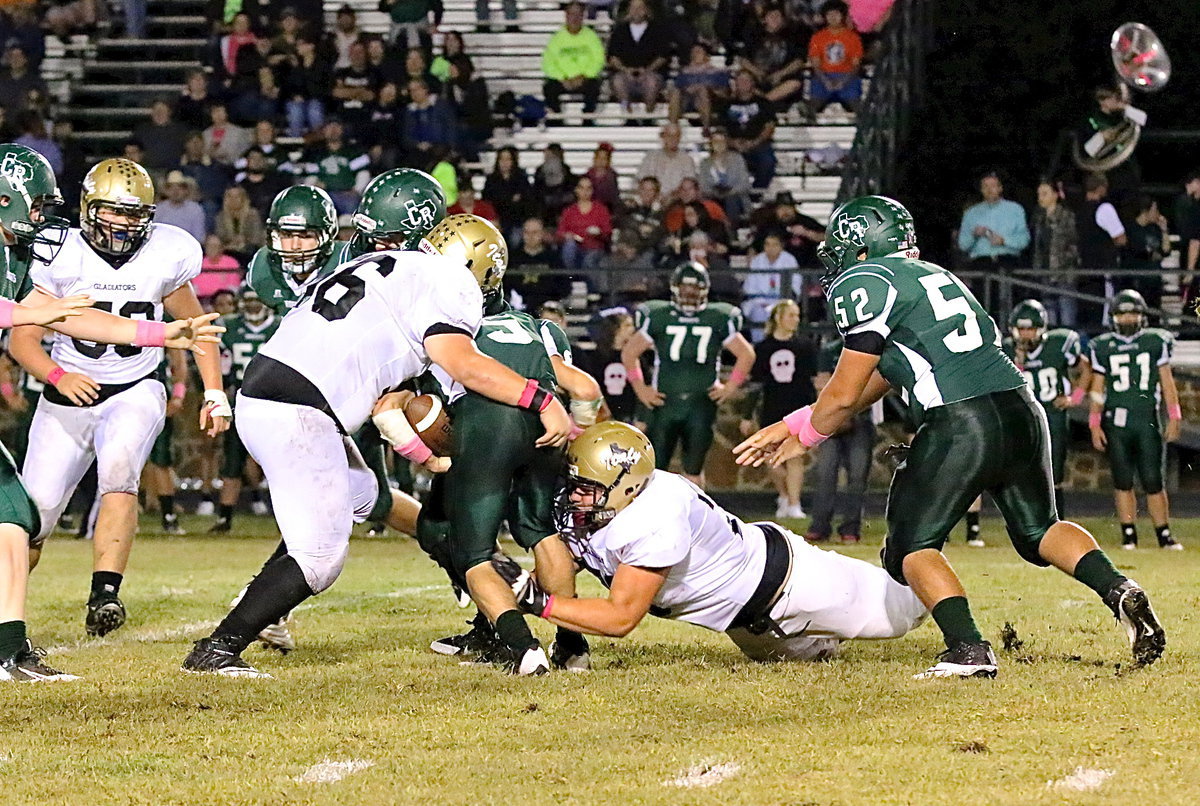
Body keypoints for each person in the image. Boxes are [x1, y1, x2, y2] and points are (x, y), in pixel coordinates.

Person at [735, 195, 1166, 678]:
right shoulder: (937, 275)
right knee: (1039, 529)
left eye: (841, 248)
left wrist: (807, 435)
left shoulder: (865, 280)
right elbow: (886, 374)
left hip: (961, 419)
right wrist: (799, 422)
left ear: (861, 248)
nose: (837, 260)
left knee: (910, 546)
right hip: (1021, 409)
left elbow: (842, 394)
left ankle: (968, 649)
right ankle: (1119, 589)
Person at [180, 173, 573, 678]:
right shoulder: (443, 278)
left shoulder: (368, 263)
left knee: (367, 492)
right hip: (302, 411)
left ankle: (487, 606)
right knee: (320, 558)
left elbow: (387, 392)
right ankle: (218, 648)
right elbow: (462, 363)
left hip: (274, 391)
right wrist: (540, 398)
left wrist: (422, 447)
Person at [0, 144, 220, 682]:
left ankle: (94, 597)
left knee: (93, 486)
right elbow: (26, 331)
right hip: (65, 394)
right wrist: (55, 369)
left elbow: (188, 328)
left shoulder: (166, 254)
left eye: (134, 213)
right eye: (33, 210)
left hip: (134, 385)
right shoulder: (56, 253)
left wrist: (176, 351)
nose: (123, 223)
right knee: (30, 517)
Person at [492, 421, 929, 663]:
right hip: (748, 623)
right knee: (809, 660)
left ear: (627, 488)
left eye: (586, 487)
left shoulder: (654, 515)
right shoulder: (609, 501)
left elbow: (620, 618)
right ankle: (828, 633)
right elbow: (569, 557)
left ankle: (914, 510)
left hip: (791, 583)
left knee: (908, 610)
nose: (574, 496)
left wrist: (538, 603)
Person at [415, 214, 602, 674]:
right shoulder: (539, 328)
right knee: (540, 531)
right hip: (543, 433)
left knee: (471, 549)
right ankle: (572, 644)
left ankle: (520, 647)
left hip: (484, 433)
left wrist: (420, 452)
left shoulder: (445, 327)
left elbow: (413, 403)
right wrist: (575, 435)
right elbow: (584, 388)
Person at [624, 262, 755, 488]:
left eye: (694, 288)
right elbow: (629, 353)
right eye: (685, 287)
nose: (689, 293)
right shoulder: (658, 315)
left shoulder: (717, 317)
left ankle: (694, 520)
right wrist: (641, 389)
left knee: (693, 471)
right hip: (665, 400)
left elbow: (746, 354)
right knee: (655, 468)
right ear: (675, 288)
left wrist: (730, 387)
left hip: (700, 402)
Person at [1087, 290, 1181, 551]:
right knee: (1122, 480)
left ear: (1142, 315)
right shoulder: (1102, 346)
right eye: (1123, 313)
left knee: (1153, 480)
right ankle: (1128, 534)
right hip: (1116, 422)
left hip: (1147, 419)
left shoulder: (1155, 341)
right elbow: (1097, 387)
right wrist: (1094, 422)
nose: (1128, 318)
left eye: (1133, 312)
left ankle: (1163, 534)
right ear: (1114, 317)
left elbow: (1167, 382)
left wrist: (1174, 415)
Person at [1004, 299, 1090, 517]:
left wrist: (1075, 397)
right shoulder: (1006, 349)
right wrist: (1019, 362)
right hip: (1021, 418)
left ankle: (1055, 520)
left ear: (1041, 329)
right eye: (1021, 329)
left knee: (1054, 474)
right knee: (1020, 472)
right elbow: (1004, 383)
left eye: (1030, 329)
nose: (1025, 335)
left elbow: (1086, 368)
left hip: (1052, 416)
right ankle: (1027, 521)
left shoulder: (1058, 344)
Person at [211, 285, 278, 535]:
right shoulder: (229, 328)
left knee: (285, 463)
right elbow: (222, 369)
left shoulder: (281, 326)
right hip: (241, 402)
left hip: (277, 403)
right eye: (248, 299)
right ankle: (224, 518)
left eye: (257, 298)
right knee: (233, 461)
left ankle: (289, 518)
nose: (252, 304)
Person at [742, 300, 816, 519]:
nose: (795, 320)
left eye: (797, 315)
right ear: (778, 318)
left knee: (795, 457)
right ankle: (784, 495)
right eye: (791, 315)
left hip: (798, 406)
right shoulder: (763, 348)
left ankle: (794, 503)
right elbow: (756, 385)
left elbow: (811, 381)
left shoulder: (805, 346)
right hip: (772, 406)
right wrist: (747, 415)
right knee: (770, 456)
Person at [806, 334, 874, 544]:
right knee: (826, 473)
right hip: (833, 418)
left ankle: (850, 527)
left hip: (860, 416)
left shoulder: (872, 347)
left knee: (857, 476)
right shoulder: (831, 350)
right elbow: (822, 383)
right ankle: (820, 525)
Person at [1075, 172, 1126, 332]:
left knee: (1089, 313)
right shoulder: (1104, 209)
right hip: (1103, 270)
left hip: (1084, 268)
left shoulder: (1079, 211)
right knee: (1104, 314)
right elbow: (1121, 238)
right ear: (1102, 188)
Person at [542, 1, 605, 123]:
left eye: (578, 14)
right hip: (563, 80)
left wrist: (583, 76)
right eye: (572, 14)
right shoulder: (557, 38)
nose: (575, 18)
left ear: (583, 16)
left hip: (584, 79)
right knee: (549, 87)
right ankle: (556, 119)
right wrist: (562, 78)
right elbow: (548, 63)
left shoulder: (591, 36)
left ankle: (587, 118)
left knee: (594, 86)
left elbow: (598, 60)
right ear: (566, 16)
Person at [606, 0, 670, 119]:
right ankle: (629, 115)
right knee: (618, 82)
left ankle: (648, 116)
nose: (636, 11)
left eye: (640, 8)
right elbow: (612, 57)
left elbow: (663, 56)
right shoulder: (620, 30)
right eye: (633, 8)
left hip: (650, 74)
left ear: (646, 10)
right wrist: (626, 70)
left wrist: (647, 70)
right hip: (625, 74)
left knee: (651, 82)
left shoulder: (657, 29)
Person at [956, 171, 1030, 271]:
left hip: (1008, 262)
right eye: (985, 186)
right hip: (980, 264)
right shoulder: (971, 213)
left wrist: (1004, 241)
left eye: (993, 186)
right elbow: (963, 245)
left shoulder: (1016, 209)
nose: (989, 190)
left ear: (1000, 188)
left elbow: (1024, 240)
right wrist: (974, 235)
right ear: (981, 190)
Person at [1030, 179, 1079, 328]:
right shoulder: (1038, 218)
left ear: (1055, 195)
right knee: (1048, 313)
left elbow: (1074, 243)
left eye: (1045, 194)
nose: (1041, 198)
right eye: (1039, 194)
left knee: (1067, 314)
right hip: (1045, 271)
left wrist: (1064, 260)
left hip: (1064, 272)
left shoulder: (1066, 216)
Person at [720, 70, 777, 190]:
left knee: (768, 161)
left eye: (747, 80)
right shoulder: (726, 104)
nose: (743, 83)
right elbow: (721, 129)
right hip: (733, 145)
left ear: (753, 83)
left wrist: (754, 143)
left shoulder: (764, 103)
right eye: (740, 80)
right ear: (735, 83)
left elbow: (769, 127)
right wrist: (732, 142)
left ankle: (757, 192)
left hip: (758, 144)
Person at [580, 309, 637, 422]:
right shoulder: (597, 358)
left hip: (630, 417)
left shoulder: (635, 357)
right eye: (627, 325)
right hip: (603, 417)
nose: (633, 329)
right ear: (615, 329)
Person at [806, 0, 862, 115]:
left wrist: (843, 81)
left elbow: (856, 64)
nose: (833, 17)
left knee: (858, 107)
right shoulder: (817, 37)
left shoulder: (853, 38)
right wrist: (825, 80)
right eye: (829, 14)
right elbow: (816, 64)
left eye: (836, 14)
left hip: (847, 76)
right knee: (812, 106)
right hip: (823, 75)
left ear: (843, 16)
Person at [742, 232, 800, 337]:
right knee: (758, 313)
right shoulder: (757, 260)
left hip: (781, 300)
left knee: (781, 313)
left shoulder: (789, 260)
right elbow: (750, 286)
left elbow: (795, 285)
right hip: (759, 301)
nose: (770, 248)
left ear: (781, 246)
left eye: (774, 244)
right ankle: (760, 346)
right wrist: (761, 301)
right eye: (767, 244)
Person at [1121, 194, 1168, 311]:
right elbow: (1140, 251)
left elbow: (1165, 251)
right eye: (1155, 209)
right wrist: (1154, 254)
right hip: (1138, 281)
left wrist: (1164, 230)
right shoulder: (1132, 229)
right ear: (1146, 210)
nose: (1157, 213)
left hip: (1154, 281)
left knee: (1154, 315)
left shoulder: (1154, 229)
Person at [556, 176, 612, 272]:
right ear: (576, 190)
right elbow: (560, 233)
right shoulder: (569, 211)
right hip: (575, 248)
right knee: (569, 247)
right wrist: (567, 235)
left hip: (594, 249)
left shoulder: (601, 209)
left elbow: (607, 232)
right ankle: (570, 277)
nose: (585, 192)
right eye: (581, 188)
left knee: (589, 260)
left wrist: (598, 233)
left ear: (592, 190)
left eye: (588, 188)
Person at [698, 129, 752, 224]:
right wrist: (716, 192)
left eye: (722, 141)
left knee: (731, 201)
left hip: (735, 198)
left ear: (727, 143)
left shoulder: (737, 159)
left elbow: (745, 183)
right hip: (713, 197)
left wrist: (730, 191)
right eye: (716, 141)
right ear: (711, 144)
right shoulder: (705, 163)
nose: (719, 144)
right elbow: (703, 186)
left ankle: (732, 232)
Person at [636, 123, 696, 202]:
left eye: (676, 136)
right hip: (653, 202)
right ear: (663, 137)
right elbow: (641, 180)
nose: (673, 139)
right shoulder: (650, 157)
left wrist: (671, 197)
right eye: (669, 135)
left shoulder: (687, 160)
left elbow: (690, 185)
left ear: (680, 138)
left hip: (678, 203)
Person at [482, 146, 529, 243]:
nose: (504, 163)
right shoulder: (491, 180)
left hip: (517, 221)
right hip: (496, 220)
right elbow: (488, 202)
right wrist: (511, 199)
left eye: (508, 159)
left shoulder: (521, 179)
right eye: (501, 159)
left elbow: (525, 202)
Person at [214, 185, 266, 266]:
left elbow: (256, 237)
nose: (233, 200)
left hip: (249, 251)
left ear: (243, 198)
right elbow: (219, 236)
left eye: (237, 197)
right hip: (228, 251)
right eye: (230, 196)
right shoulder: (220, 217)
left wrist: (243, 241)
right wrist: (232, 243)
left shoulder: (252, 215)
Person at [156, 171, 207, 245]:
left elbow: (199, 237)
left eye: (180, 187)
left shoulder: (195, 209)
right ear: (167, 191)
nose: (175, 191)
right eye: (171, 187)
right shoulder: (159, 209)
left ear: (185, 190)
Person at [585, 142, 621, 214]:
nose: (601, 161)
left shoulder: (611, 177)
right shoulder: (587, 176)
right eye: (599, 158)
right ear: (594, 159)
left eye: (604, 158)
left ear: (608, 161)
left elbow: (614, 197)